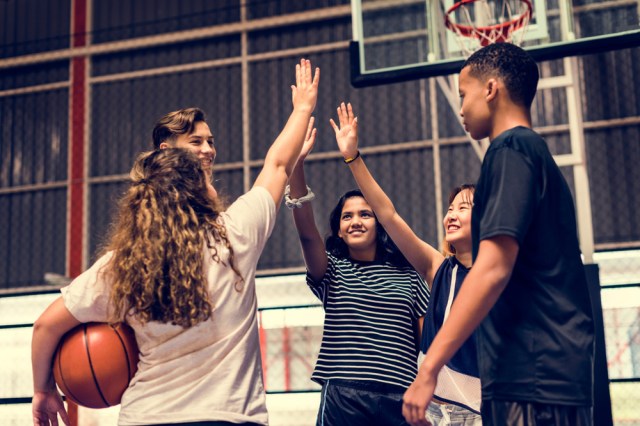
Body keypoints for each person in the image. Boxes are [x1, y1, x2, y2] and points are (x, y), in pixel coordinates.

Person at [31, 58, 320, 426]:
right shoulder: (235, 235)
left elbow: (45, 327)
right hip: (225, 416)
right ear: (200, 192)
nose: (208, 155)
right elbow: (277, 165)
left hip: (145, 416)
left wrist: (42, 391)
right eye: (197, 145)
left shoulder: (124, 262)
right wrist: (302, 109)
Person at [402, 43, 594, 426]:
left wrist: (428, 369)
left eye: (463, 94)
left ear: (491, 89)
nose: (460, 108)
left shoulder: (510, 149)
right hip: (543, 371)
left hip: (533, 371)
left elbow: (492, 267)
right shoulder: (532, 154)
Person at [331, 102, 481, 425]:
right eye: (450, 208)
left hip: (481, 409)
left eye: (464, 208)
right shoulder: (437, 268)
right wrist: (352, 157)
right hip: (430, 409)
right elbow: (388, 214)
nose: (451, 214)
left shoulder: (496, 278)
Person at [287, 115, 430, 426]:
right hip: (344, 397)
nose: (355, 221)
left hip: (401, 397)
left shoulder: (409, 276)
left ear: (378, 225)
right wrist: (296, 165)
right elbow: (307, 232)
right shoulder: (332, 271)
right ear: (339, 230)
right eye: (347, 216)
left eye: (365, 214)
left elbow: (428, 343)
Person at [152, 107, 220, 203]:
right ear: (167, 150)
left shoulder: (207, 192)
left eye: (210, 142)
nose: (208, 149)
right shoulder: (154, 198)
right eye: (196, 142)